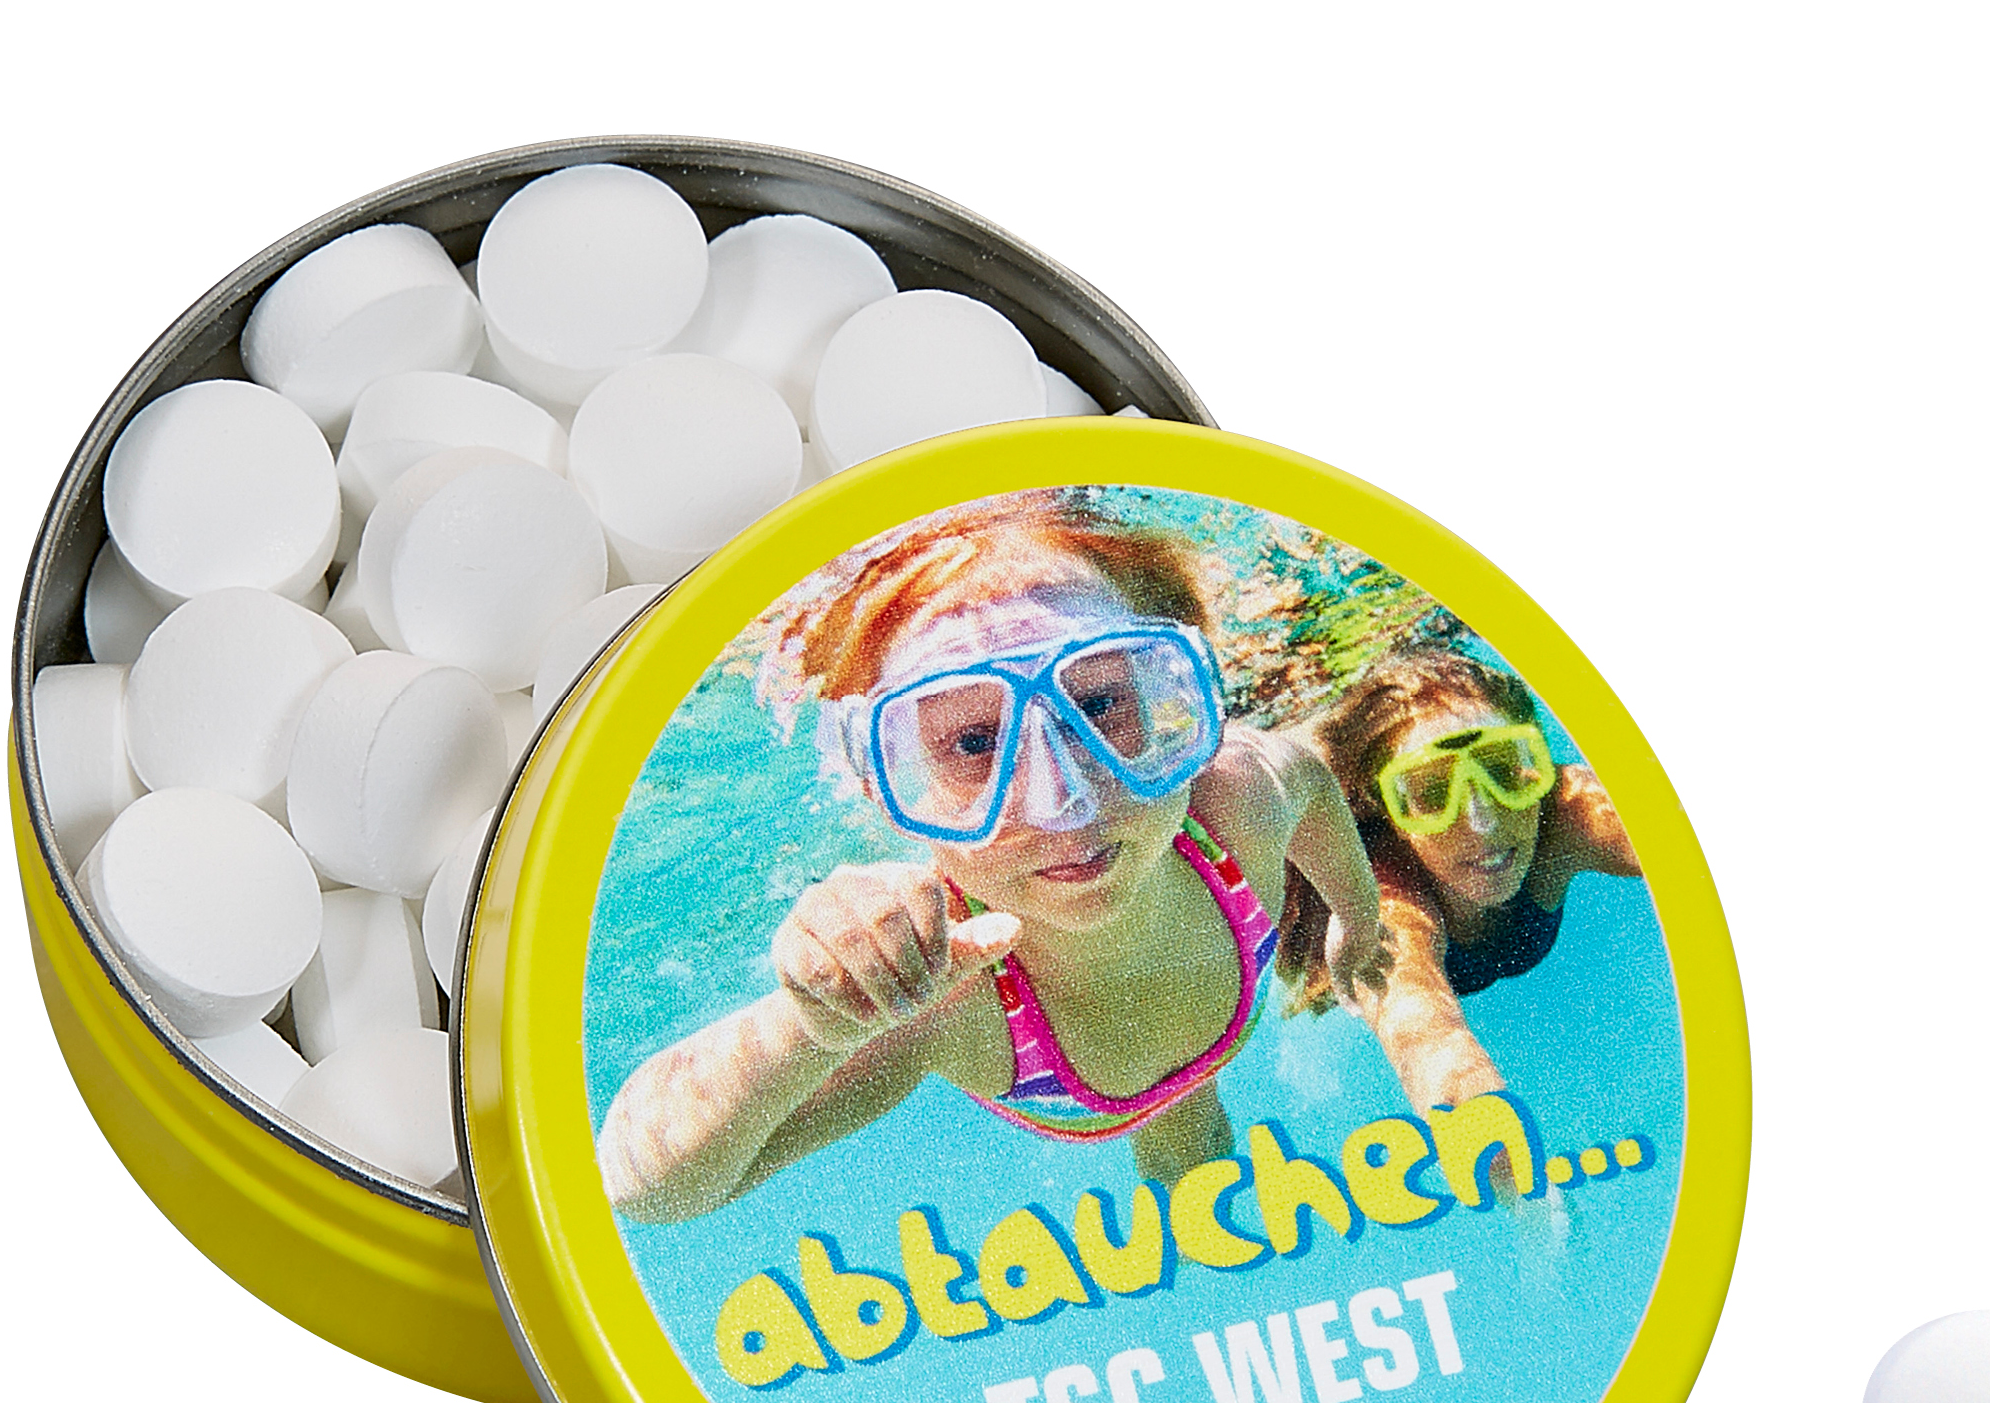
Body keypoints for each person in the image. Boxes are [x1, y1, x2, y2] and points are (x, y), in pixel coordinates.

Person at [599, 492, 1386, 1222]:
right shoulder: (944, 992)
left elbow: (1315, 789)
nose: (1066, 800)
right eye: (976, 743)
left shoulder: (1235, 797)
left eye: (1100, 703)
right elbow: (645, 1187)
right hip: (1077, 1080)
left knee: (1195, 1129)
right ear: (887, 779)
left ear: (1170, 691)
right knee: (1192, 1169)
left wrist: (1356, 919)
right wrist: (807, 1024)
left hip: (1200, 1044)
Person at [1279, 645, 1641, 1111]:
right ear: (1387, 809)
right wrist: (1481, 1127)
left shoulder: (1569, 814)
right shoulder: (1383, 898)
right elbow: (1429, 1039)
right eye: (1433, 792)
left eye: (1503, 772)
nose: (1482, 821)